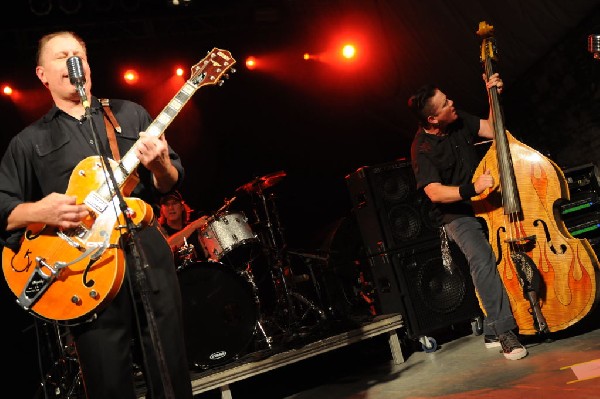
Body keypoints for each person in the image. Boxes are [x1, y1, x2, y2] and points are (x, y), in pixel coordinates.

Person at [0, 31, 194, 398]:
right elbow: (2, 208)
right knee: (107, 383)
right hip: (84, 273)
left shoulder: (129, 113)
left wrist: (162, 165)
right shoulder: (29, 141)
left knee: (170, 372)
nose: (73, 61)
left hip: (146, 254)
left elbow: (168, 184)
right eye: (62, 56)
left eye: (79, 54)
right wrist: (39, 209)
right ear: (42, 74)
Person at [408, 72, 528, 360]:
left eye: (448, 98)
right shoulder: (421, 150)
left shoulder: (456, 118)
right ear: (433, 119)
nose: (452, 102)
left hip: (484, 201)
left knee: (508, 252)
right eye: (445, 103)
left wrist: (492, 94)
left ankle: (490, 329)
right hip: (456, 214)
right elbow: (435, 193)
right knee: (482, 258)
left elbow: (493, 129)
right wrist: (472, 188)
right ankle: (504, 333)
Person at [158, 190, 208, 269]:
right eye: (167, 204)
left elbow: (208, 253)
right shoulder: (159, 231)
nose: (171, 207)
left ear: (182, 207)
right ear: (162, 210)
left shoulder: (196, 229)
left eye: (174, 203)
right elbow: (167, 247)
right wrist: (192, 226)